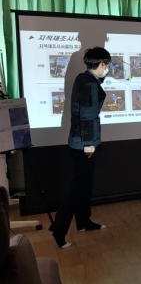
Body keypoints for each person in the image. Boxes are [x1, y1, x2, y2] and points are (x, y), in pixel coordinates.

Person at [49, 47, 111, 248]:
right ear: (102, 64)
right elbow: (87, 117)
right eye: (107, 65)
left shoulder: (83, 79)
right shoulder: (89, 84)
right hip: (84, 144)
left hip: (80, 141)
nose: (108, 69)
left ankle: (83, 221)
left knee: (85, 184)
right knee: (77, 187)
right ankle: (59, 230)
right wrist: (89, 144)